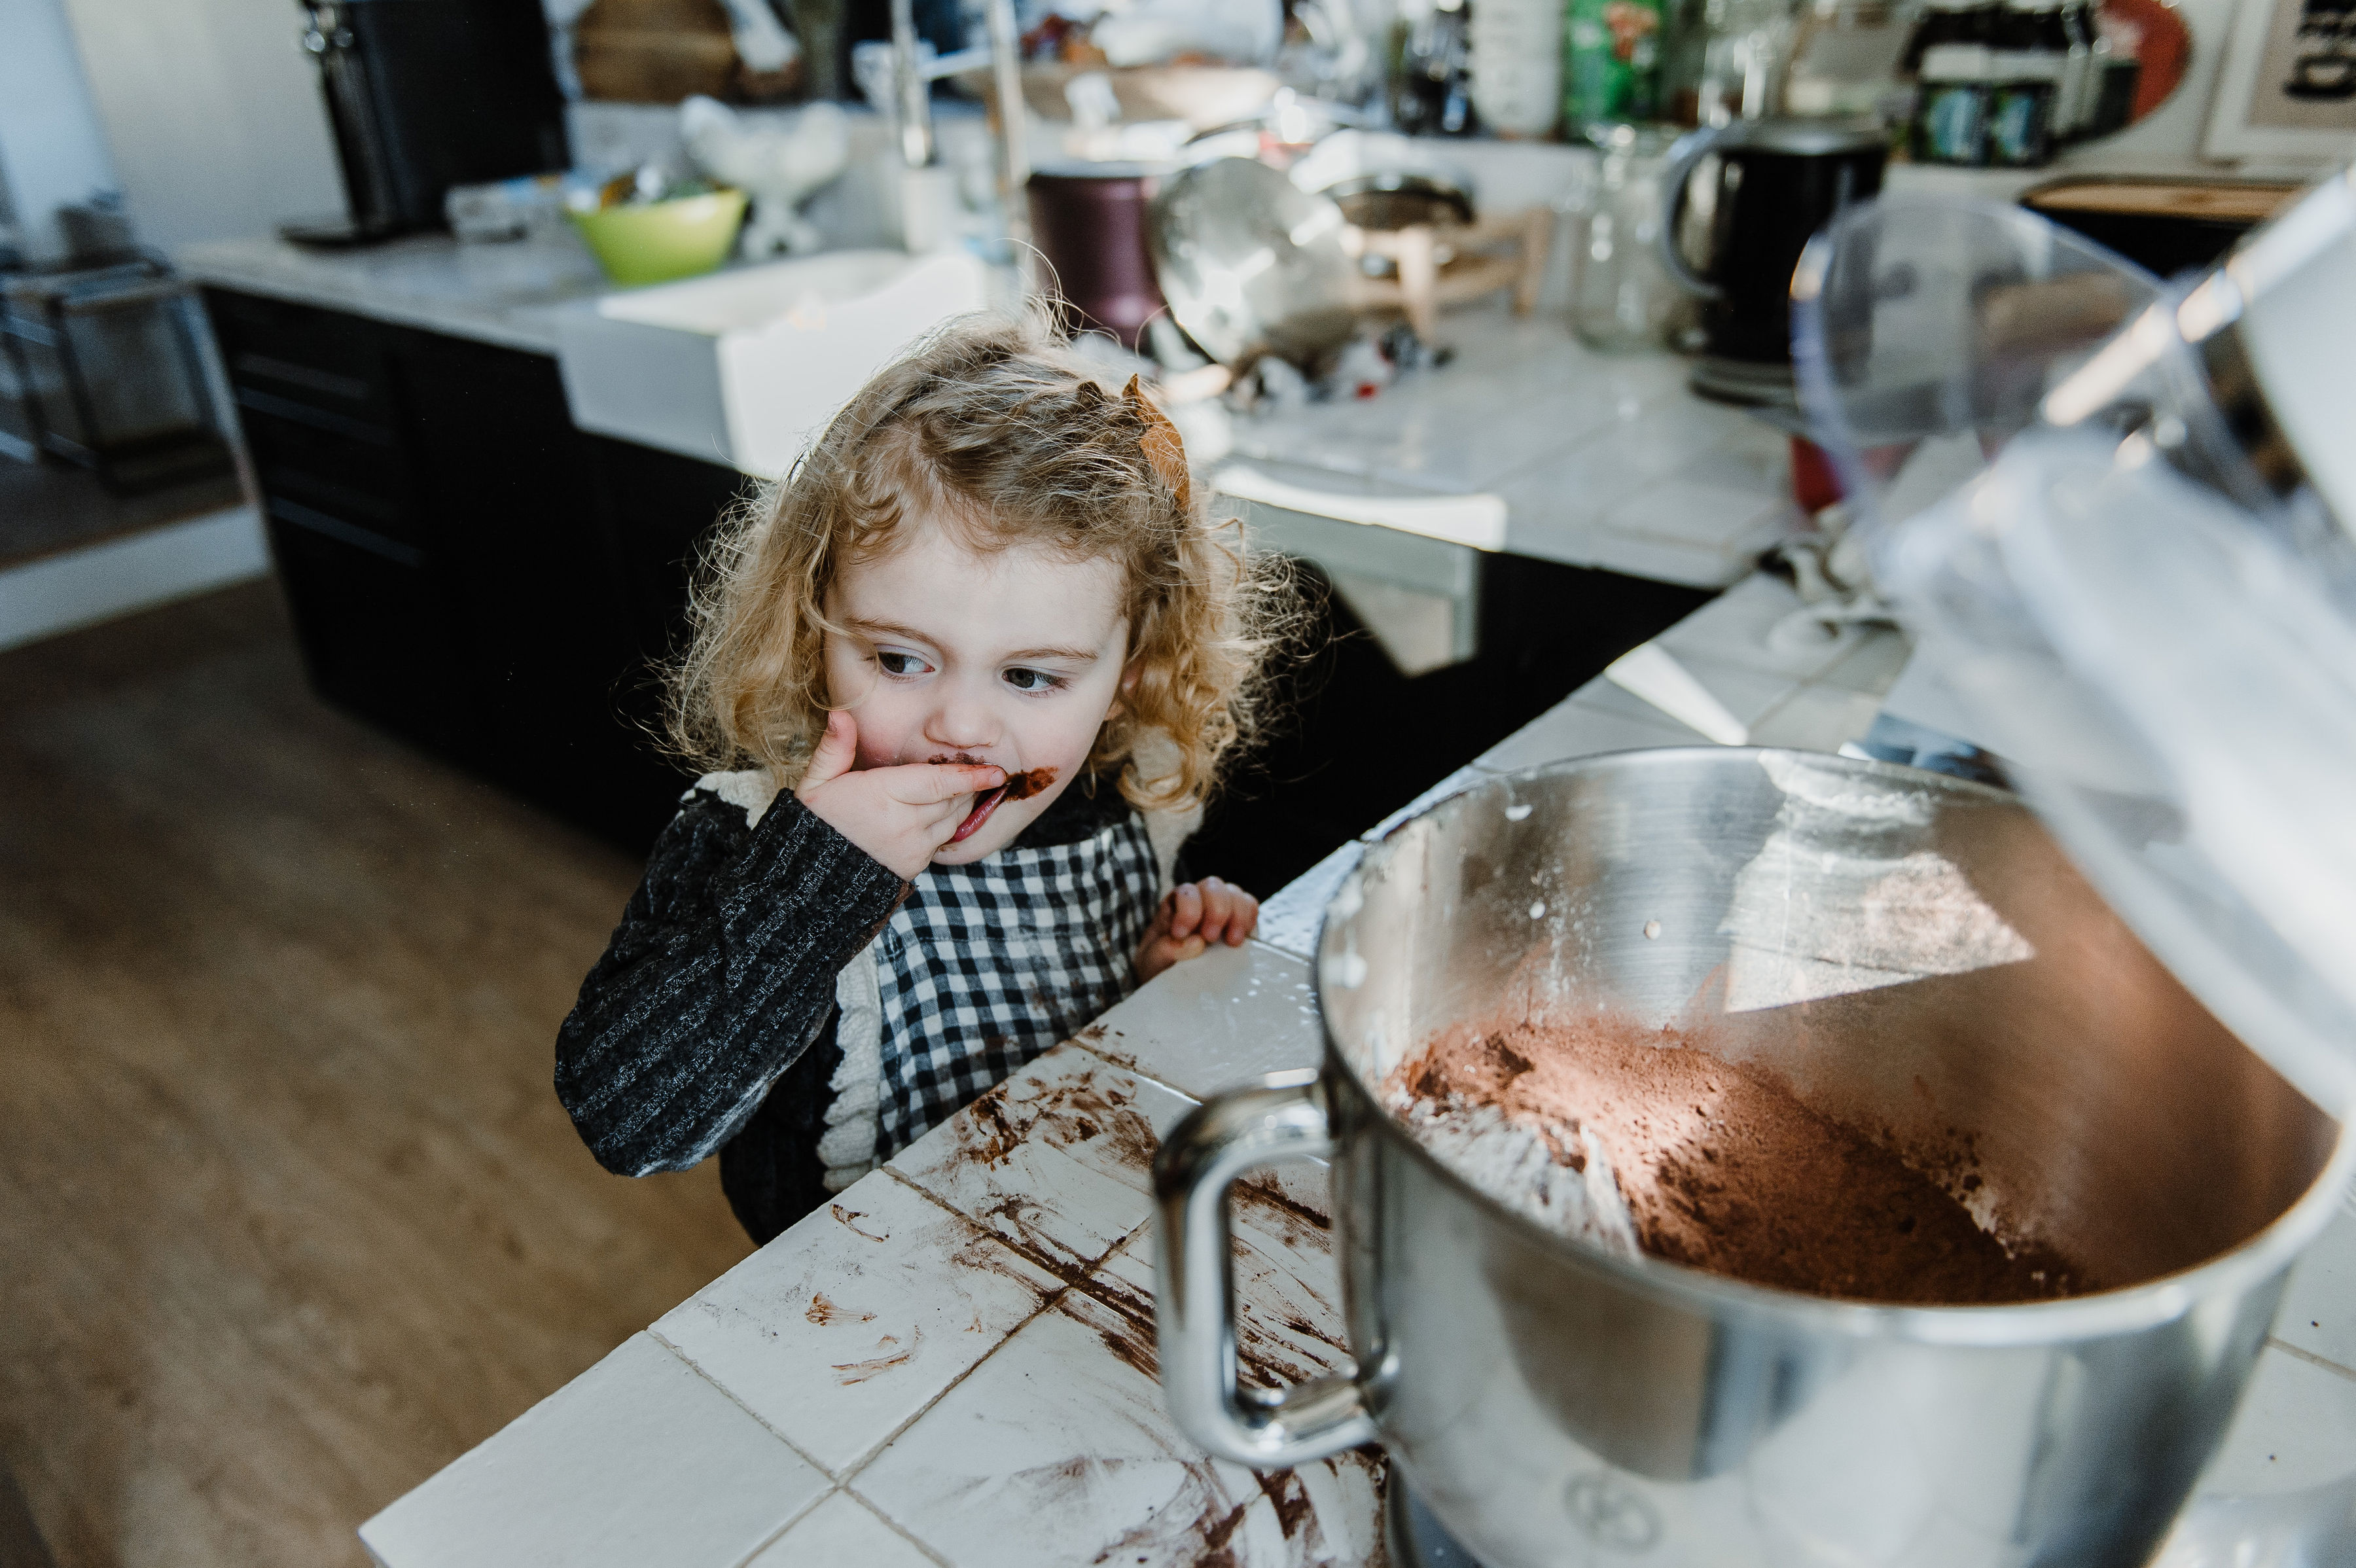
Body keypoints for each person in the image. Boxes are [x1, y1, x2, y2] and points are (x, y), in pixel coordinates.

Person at [555, 312, 1290, 1244]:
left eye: (1031, 677)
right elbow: (628, 1126)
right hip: (859, 1307)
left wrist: (1154, 985)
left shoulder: (1124, 802)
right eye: (901, 660)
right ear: (813, 622)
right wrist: (816, 882)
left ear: (1125, 680)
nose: (961, 728)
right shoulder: (749, 837)